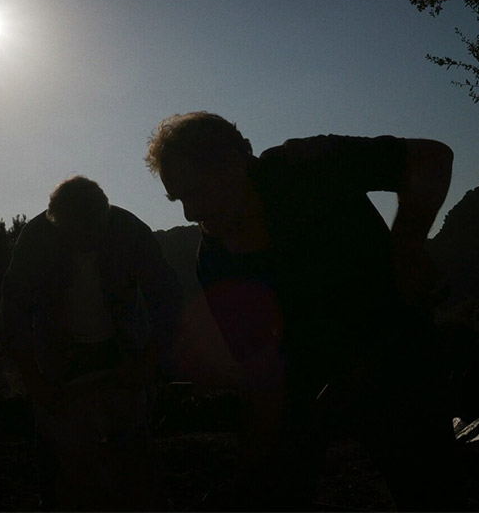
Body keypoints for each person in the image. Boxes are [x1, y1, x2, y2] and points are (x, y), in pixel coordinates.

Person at [145, 112, 460, 511]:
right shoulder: (215, 261)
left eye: (196, 191)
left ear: (234, 162)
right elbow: (260, 369)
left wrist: (407, 248)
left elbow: (431, 158)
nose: (190, 213)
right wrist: (254, 467)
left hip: (397, 353)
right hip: (309, 383)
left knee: (428, 491)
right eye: (179, 200)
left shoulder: (306, 166)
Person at [0, 175, 181, 510]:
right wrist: (35, 382)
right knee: (56, 453)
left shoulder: (130, 231)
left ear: (105, 216)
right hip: (59, 357)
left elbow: (168, 300)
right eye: (72, 232)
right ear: (56, 223)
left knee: (134, 450)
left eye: (92, 230)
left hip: (123, 349)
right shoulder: (36, 239)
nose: (83, 238)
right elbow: (14, 315)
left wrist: (147, 364)